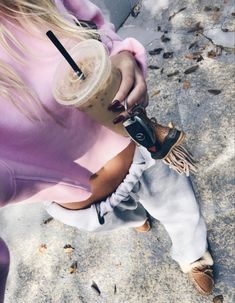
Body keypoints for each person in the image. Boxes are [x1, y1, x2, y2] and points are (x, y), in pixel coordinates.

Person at [0, 0, 214, 301]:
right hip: (83, 205)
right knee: (129, 218)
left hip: (138, 147)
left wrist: (121, 55)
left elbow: (93, 28)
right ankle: (137, 218)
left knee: (180, 210)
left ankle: (193, 254)